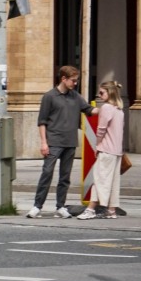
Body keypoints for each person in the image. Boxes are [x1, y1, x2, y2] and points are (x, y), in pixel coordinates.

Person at [27, 66, 94, 219]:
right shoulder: (49, 96)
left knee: (65, 177)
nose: (75, 83)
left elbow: (89, 109)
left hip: (70, 142)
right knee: (47, 173)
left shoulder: (75, 97)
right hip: (53, 141)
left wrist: (109, 107)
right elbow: (42, 121)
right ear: (63, 79)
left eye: (76, 81)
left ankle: (60, 206)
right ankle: (37, 206)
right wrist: (44, 143)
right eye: (73, 81)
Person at [78, 80, 125, 219]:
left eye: (101, 92)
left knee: (99, 180)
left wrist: (97, 146)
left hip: (106, 149)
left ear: (109, 92)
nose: (99, 95)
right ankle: (111, 211)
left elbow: (101, 130)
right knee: (113, 182)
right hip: (117, 151)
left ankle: (91, 209)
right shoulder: (119, 110)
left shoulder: (106, 108)